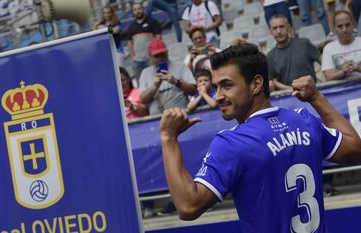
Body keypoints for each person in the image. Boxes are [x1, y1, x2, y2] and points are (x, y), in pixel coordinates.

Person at [159, 43, 361, 232]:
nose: (218, 95)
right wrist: (317, 98)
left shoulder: (232, 143)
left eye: (227, 85)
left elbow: (188, 207)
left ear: (256, 84)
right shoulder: (304, 121)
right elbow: (356, 148)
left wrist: (168, 139)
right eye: (216, 87)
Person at [139, 38, 197, 115]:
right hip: (158, 119)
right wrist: (155, 86)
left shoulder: (180, 66)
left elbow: (194, 90)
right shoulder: (145, 72)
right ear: (150, 56)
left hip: (181, 115)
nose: (160, 58)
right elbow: (143, 100)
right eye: (156, 55)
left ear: (167, 52)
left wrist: (177, 82)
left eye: (162, 54)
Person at [267, 14, 321, 90]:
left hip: (312, 93)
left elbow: (324, 62)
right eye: (275, 28)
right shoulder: (270, 56)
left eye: (281, 27)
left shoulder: (304, 43)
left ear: (288, 28)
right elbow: (272, 81)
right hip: (288, 96)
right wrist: (291, 90)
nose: (278, 31)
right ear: (271, 31)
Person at [127, 2, 162, 82]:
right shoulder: (131, 27)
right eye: (135, 10)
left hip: (151, 59)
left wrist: (155, 55)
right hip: (137, 61)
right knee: (141, 84)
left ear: (143, 9)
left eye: (139, 8)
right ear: (133, 12)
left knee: (155, 81)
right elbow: (129, 43)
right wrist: (133, 58)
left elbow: (159, 39)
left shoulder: (152, 22)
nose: (137, 11)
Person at [322, 10, 361, 81]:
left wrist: (358, 68)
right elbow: (328, 77)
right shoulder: (328, 48)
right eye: (340, 26)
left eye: (347, 25)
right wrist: (343, 71)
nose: (344, 30)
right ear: (334, 29)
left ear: (353, 25)